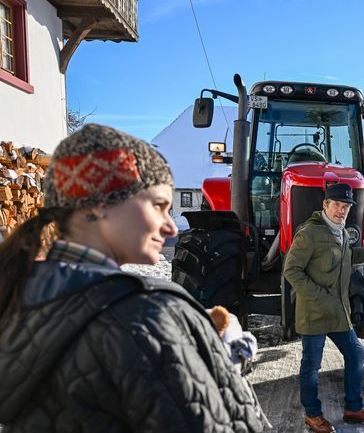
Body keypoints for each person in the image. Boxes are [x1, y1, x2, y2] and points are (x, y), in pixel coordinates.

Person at [0, 124, 270, 432]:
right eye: (158, 206)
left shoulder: (21, 295)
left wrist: (194, 349)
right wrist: (220, 364)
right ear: (101, 203)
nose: (171, 228)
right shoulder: (146, 316)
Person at [283, 183, 364, 433]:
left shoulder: (340, 232)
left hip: (339, 312)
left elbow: (345, 258)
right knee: (311, 365)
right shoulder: (310, 233)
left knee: (356, 353)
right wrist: (319, 297)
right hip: (315, 312)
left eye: (346, 207)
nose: (342, 211)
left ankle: (353, 406)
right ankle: (312, 414)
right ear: (325, 205)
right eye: (337, 205)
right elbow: (291, 270)